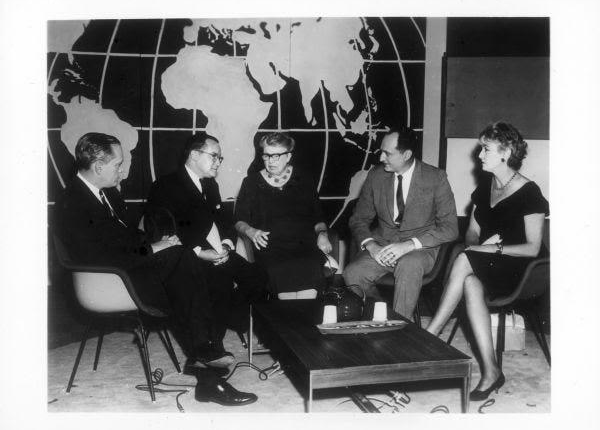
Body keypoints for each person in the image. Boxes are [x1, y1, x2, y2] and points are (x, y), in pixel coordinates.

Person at [54, 132, 257, 407]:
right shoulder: (72, 202)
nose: (122, 171)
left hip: (131, 266)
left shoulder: (107, 195)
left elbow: (123, 237)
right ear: (99, 167)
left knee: (200, 268)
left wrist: (159, 243)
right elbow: (98, 254)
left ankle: (206, 364)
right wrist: (153, 249)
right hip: (110, 281)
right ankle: (207, 358)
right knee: (189, 267)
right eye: (118, 165)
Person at [425, 122, 548, 400]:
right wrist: (480, 247)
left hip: (522, 268)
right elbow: (471, 234)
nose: (479, 155)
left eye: (486, 149)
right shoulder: (486, 187)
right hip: (488, 262)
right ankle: (491, 371)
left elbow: (532, 248)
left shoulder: (530, 193)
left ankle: (430, 335)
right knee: (469, 279)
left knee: (467, 260)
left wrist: (492, 249)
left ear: (506, 152)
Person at [146, 132, 267, 336]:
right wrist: (200, 253)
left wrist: (227, 246)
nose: (218, 162)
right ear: (194, 155)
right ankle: (212, 346)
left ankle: (227, 316)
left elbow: (224, 221)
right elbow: (163, 232)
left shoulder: (211, 185)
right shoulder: (165, 186)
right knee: (220, 281)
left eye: (220, 157)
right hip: (186, 259)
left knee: (259, 277)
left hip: (219, 253)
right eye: (214, 156)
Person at [343, 126, 459, 318]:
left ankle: (401, 333)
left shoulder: (436, 178)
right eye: (381, 152)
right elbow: (359, 219)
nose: (381, 158)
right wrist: (371, 245)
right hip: (383, 246)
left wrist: (409, 245)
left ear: (406, 155)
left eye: (387, 154)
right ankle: (382, 315)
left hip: (420, 250)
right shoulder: (376, 176)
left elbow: (450, 228)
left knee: (409, 265)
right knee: (352, 273)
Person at [234, 132, 333, 298]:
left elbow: (318, 219)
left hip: (304, 245)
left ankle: (304, 319)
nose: (271, 161)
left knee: (309, 269)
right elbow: (239, 220)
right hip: (270, 246)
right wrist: (251, 231)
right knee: (279, 271)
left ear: (288, 156)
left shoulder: (304, 180)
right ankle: (288, 320)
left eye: (277, 156)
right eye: (267, 155)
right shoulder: (251, 182)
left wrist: (323, 235)